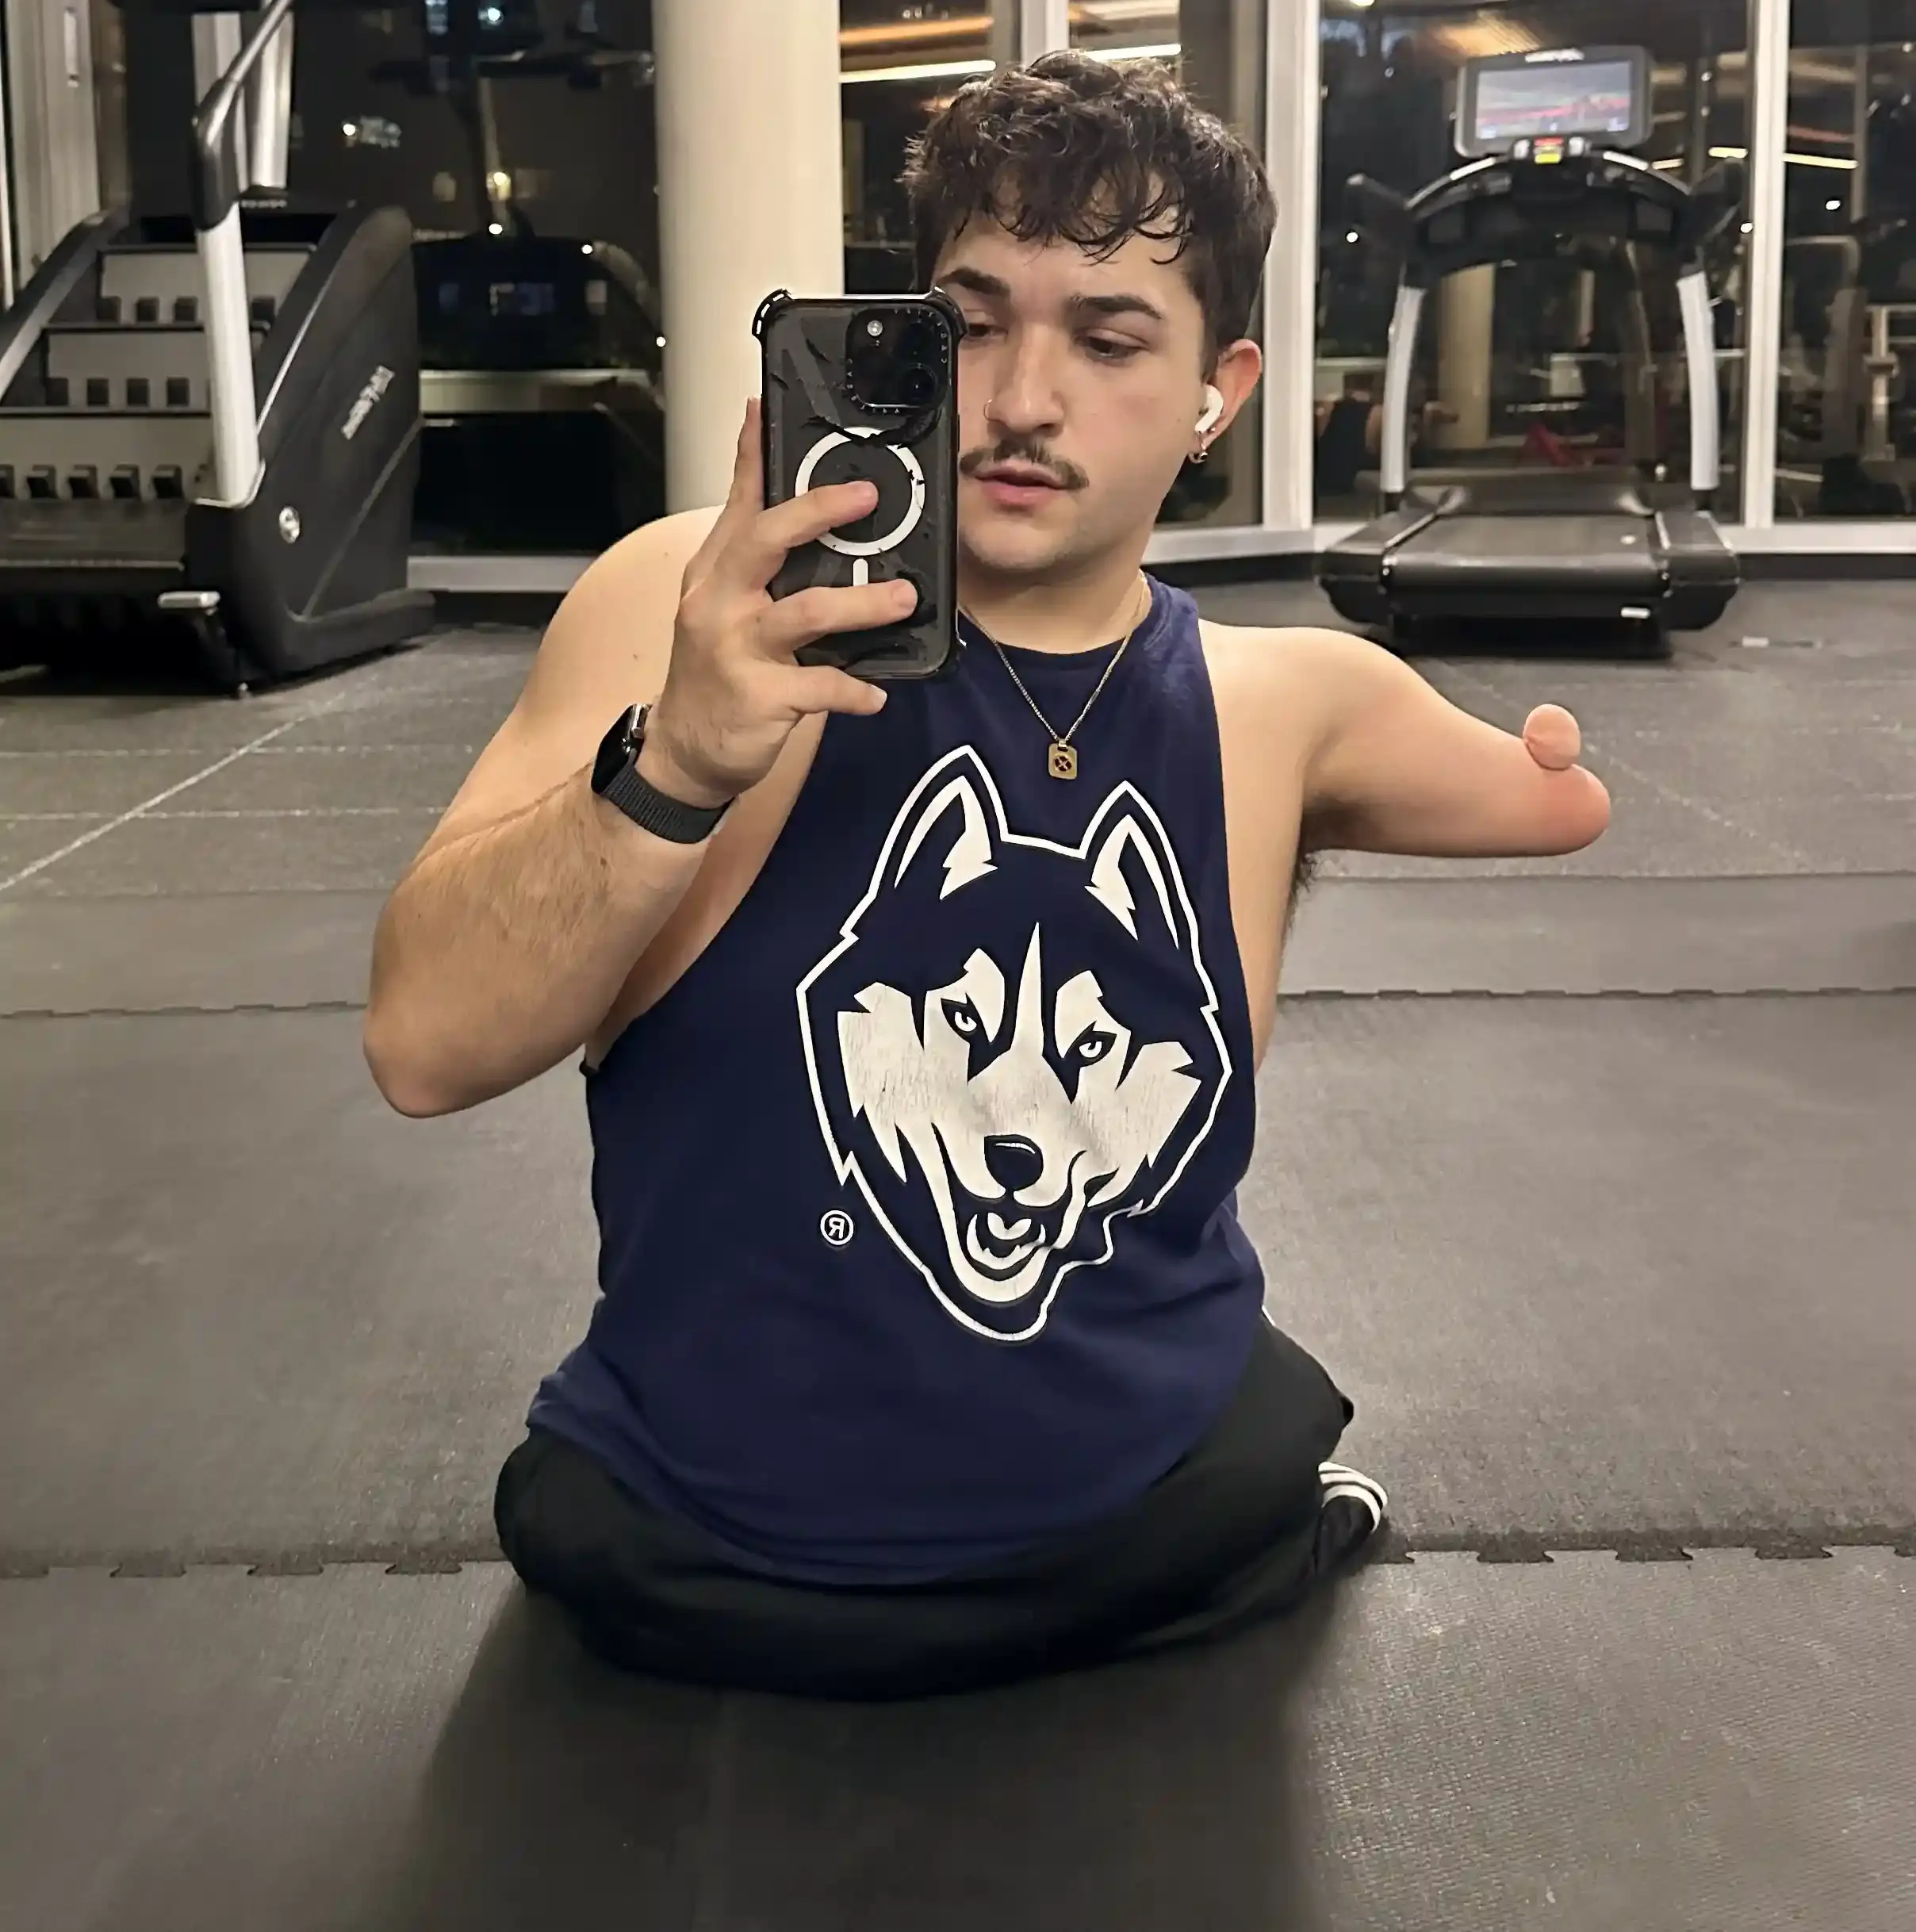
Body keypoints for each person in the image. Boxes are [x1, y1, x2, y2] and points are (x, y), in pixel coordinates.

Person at [364, 54, 1609, 1701]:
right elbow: (421, 1047)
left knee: (1255, 1412)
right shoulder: (683, 603)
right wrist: (675, 767)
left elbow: (1553, 797)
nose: (1022, 400)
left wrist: (1548, 733)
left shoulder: (1281, 702)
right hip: (712, 1545)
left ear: (1218, 389)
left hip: (1145, 1503)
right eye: (971, 321)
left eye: (1106, 340)